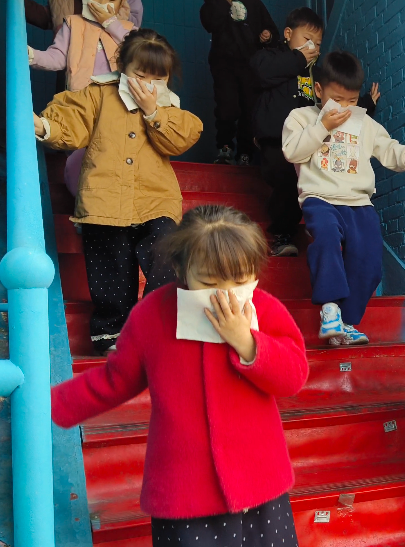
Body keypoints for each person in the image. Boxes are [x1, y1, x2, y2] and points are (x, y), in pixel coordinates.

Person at [51, 205, 309, 547]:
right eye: (209, 282)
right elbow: (114, 380)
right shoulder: (152, 315)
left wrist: (247, 342)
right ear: (180, 268)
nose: (225, 294)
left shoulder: (265, 308)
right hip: (184, 491)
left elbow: (293, 376)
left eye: (239, 281)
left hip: (258, 483)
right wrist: (48, 407)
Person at [33, 28, 203, 353]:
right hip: (104, 200)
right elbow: (72, 120)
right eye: (140, 75)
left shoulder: (169, 107)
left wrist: (153, 112)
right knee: (110, 268)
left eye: (158, 78)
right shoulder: (98, 94)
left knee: (167, 253)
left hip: (156, 200)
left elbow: (179, 140)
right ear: (122, 67)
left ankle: (154, 328)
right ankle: (112, 334)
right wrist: (45, 126)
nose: (148, 85)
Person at [282, 50, 405, 345]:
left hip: (359, 203)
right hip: (320, 197)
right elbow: (292, 152)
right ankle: (330, 309)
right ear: (318, 90)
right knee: (326, 238)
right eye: (337, 99)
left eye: (351, 101)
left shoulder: (364, 123)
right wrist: (323, 127)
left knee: (370, 262)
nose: (345, 108)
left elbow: (387, 147)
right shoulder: (301, 118)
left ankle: (347, 322)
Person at [250, 7, 380, 256]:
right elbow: (260, 74)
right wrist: (298, 59)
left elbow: (337, 101)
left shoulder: (317, 75)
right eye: (306, 39)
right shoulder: (269, 57)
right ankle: (282, 233)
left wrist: (366, 104)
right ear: (288, 34)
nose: (313, 47)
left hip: (309, 141)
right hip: (275, 139)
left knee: (314, 180)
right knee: (285, 178)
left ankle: (317, 226)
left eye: (318, 43)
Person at [28, 0, 137, 196]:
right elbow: (56, 57)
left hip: (118, 109)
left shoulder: (129, 30)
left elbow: (141, 55)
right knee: (79, 162)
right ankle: (86, 203)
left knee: (114, 157)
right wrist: (32, 55)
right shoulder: (72, 23)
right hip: (81, 105)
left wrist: (111, 24)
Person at [200, 0, 277, 166]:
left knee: (249, 109)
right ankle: (225, 148)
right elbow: (208, 22)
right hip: (224, 65)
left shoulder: (255, 4)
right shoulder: (215, 3)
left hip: (250, 67)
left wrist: (268, 35)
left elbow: (272, 32)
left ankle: (245, 153)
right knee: (226, 107)